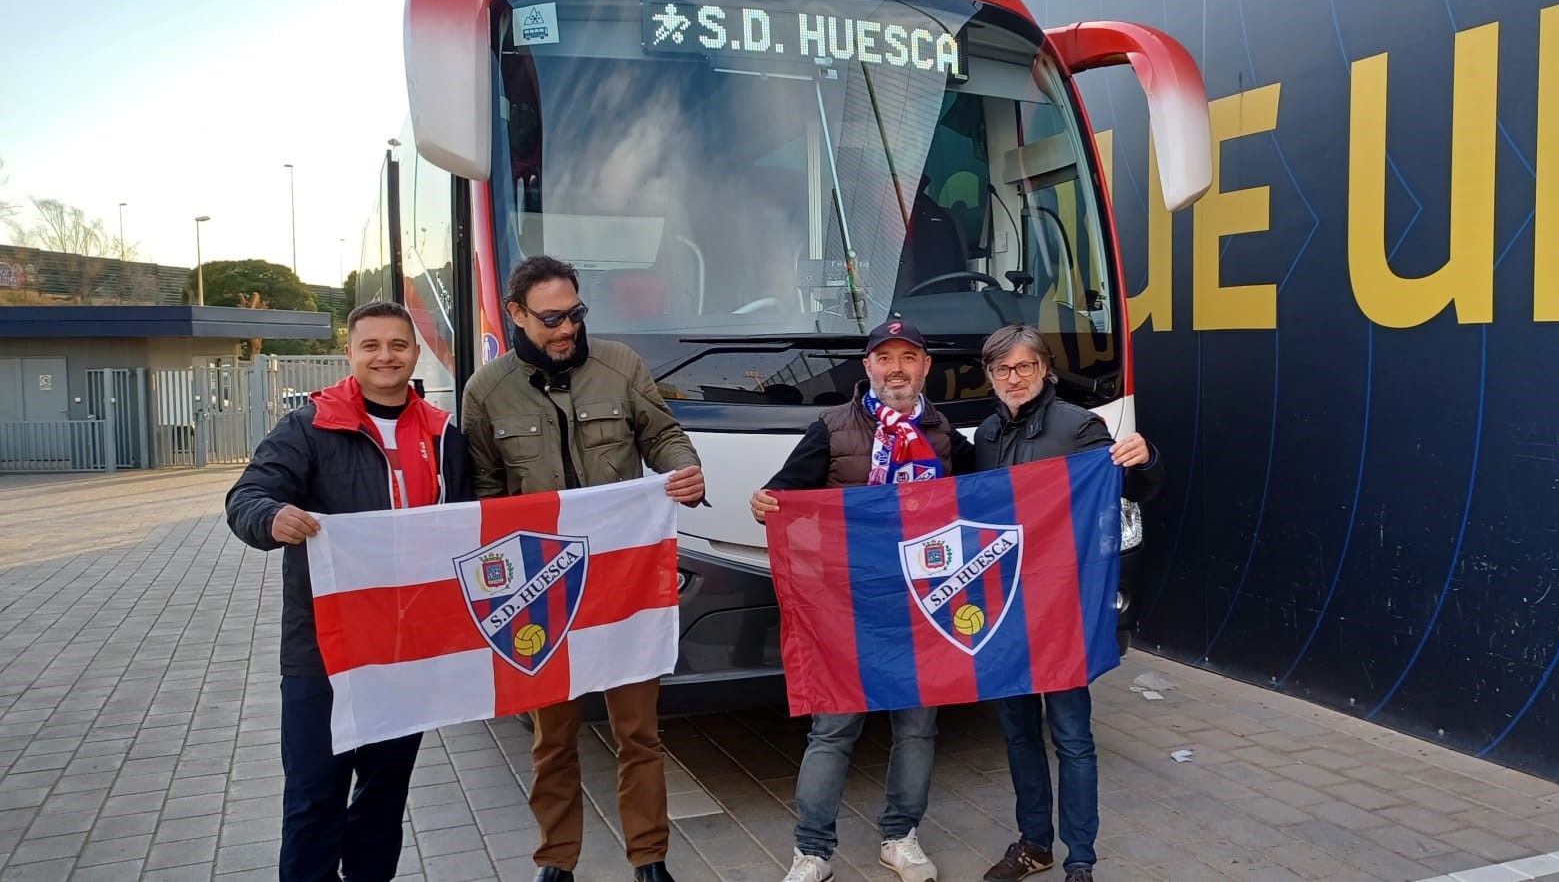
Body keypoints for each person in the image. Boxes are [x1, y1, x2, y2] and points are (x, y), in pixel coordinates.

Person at [462, 255, 705, 882]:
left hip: (620, 584)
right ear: (516, 315)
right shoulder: (486, 390)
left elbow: (663, 435)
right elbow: (482, 489)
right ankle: (556, 861)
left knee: (639, 735)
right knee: (552, 741)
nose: (567, 329)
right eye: (551, 319)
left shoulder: (621, 366)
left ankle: (650, 858)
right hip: (539, 591)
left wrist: (682, 468)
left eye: (574, 314)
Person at [225, 301, 473, 882]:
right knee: (315, 798)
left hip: (405, 653)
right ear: (351, 353)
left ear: (415, 353)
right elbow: (246, 497)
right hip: (323, 652)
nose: (385, 357)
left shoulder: (443, 435)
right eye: (371, 346)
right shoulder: (308, 427)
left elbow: (473, 525)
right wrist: (271, 516)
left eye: (397, 345)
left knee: (385, 798)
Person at [750, 318, 974, 882]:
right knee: (834, 729)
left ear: (925, 367)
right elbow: (784, 493)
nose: (896, 369)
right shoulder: (830, 428)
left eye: (908, 358)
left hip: (923, 606)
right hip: (844, 607)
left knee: (918, 729)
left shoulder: (947, 436)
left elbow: (1002, 495)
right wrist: (766, 502)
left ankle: (900, 837)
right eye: (885, 358)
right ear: (868, 366)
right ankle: (813, 852)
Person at [971, 324, 1163, 882]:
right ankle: (1035, 843)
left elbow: (1137, 488)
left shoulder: (1080, 427)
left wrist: (1147, 458)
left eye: (1025, 367)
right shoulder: (984, 435)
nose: (1014, 378)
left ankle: (1081, 858)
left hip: (1062, 609)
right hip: (1003, 612)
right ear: (990, 376)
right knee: (1018, 732)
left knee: (1073, 736)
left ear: (1045, 370)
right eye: (1002, 369)